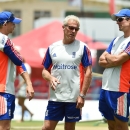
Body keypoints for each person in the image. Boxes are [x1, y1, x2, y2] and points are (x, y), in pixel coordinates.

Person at [41, 15, 92, 130]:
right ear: (63, 27)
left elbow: (88, 72)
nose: (73, 31)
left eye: (76, 29)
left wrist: (82, 95)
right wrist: (50, 78)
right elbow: (44, 71)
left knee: (69, 128)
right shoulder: (53, 47)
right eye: (70, 28)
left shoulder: (83, 48)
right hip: (55, 98)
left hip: (73, 98)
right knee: (47, 127)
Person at [0, 11, 34, 130]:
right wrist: (17, 53)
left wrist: (29, 84)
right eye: (12, 23)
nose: (14, 25)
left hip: (5, 90)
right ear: (4, 24)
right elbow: (19, 60)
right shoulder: (3, 39)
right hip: (3, 91)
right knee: (4, 127)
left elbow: (19, 63)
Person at [98, 8, 130, 130]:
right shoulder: (116, 40)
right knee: (111, 125)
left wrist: (110, 57)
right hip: (106, 88)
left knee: (121, 125)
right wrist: (114, 58)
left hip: (120, 90)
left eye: (120, 19)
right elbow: (101, 60)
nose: (117, 22)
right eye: (117, 19)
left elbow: (117, 60)